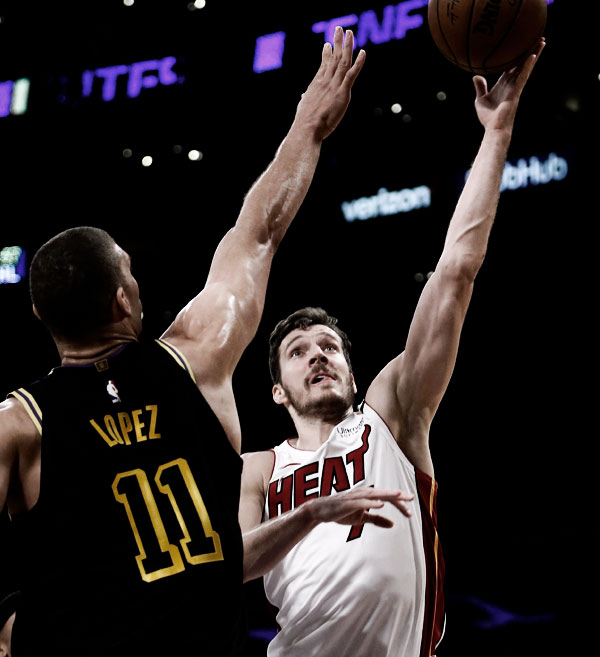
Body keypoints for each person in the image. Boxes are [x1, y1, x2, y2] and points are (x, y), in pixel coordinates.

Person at [0, 27, 398, 657]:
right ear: (122, 301)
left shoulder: (19, 425)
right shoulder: (194, 356)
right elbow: (258, 233)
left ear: (40, 315)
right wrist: (310, 125)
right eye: (130, 273)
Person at [239, 39, 546, 657]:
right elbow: (229, 566)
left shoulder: (390, 418)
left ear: (353, 373)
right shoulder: (259, 469)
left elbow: (455, 271)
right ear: (277, 392)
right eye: (298, 352)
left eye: (330, 346)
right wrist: (313, 512)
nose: (318, 355)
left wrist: (497, 133)